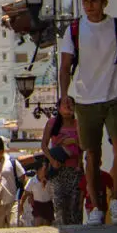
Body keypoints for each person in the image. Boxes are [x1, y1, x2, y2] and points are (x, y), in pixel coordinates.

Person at [57, 0, 117, 227]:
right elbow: (65, 66)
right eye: (85, 0)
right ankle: (96, 206)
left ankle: (116, 200)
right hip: (85, 101)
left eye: (94, 0)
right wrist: (64, 96)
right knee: (91, 156)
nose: (89, 6)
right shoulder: (74, 30)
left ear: (104, 2)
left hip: (114, 96)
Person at [42, 96, 84, 226]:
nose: (69, 106)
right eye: (65, 104)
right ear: (59, 108)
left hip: (74, 170)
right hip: (58, 169)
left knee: (75, 206)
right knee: (60, 204)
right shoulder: (52, 123)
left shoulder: (78, 124)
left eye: (71, 104)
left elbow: (82, 147)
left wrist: (73, 142)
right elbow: (44, 145)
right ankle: (63, 231)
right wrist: (52, 161)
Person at [20, 159, 55, 227]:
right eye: (43, 169)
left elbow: (53, 192)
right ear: (38, 171)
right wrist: (21, 204)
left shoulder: (50, 180)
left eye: (46, 169)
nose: (45, 172)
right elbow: (26, 193)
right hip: (38, 204)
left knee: (47, 224)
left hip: (48, 204)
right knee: (37, 222)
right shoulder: (32, 181)